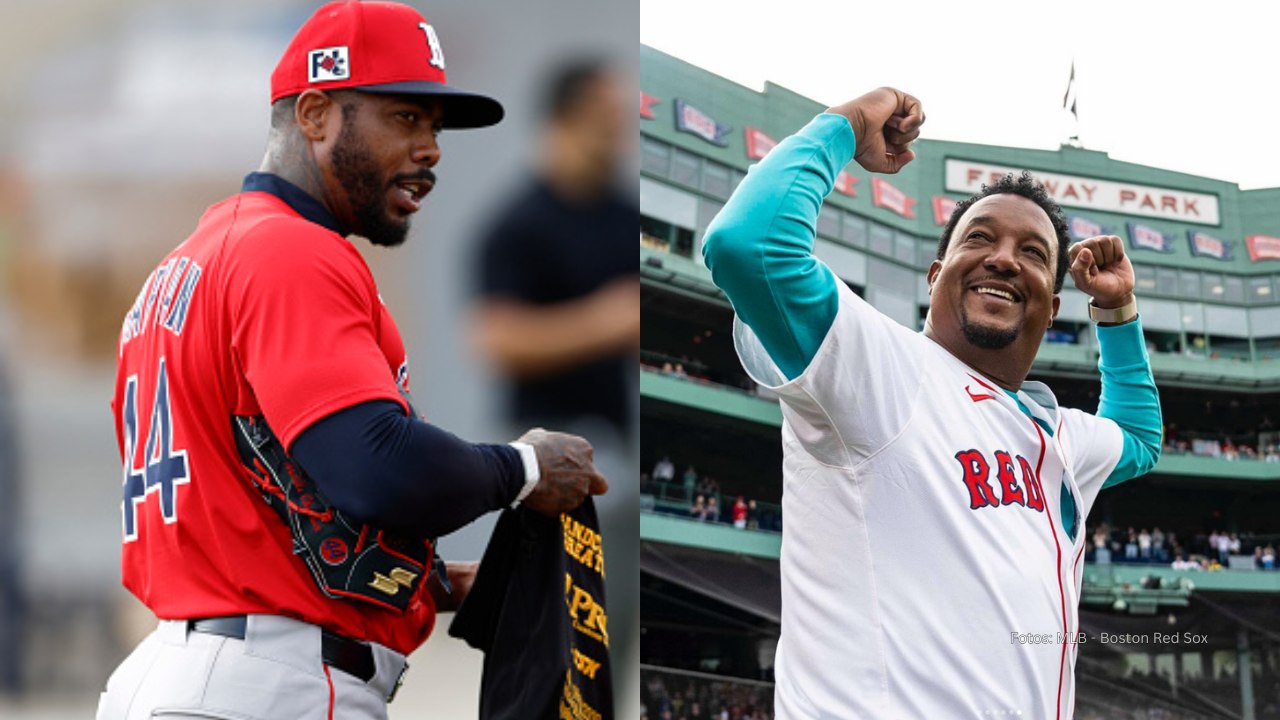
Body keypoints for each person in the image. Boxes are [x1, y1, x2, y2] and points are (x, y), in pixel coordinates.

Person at [97, 4, 607, 719]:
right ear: (314, 113)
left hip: (191, 670)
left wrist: (423, 578)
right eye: (404, 117)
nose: (430, 148)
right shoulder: (288, 251)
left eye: (435, 127)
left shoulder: (188, 264)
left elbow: (264, 491)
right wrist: (524, 469)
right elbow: (378, 466)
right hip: (268, 684)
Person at [702, 87, 1161, 717]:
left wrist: (1116, 312)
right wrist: (848, 125)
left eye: (1032, 253)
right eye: (979, 239)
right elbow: (747, 244)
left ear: (1052, 309)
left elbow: (1137, 438)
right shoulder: (885, 368)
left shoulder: (1057, 434)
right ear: (936, 274)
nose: (1003, 259)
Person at [472, 58, 638, 438]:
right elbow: (496, 338)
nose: (618, 133)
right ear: (566, 118)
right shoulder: (517, 222)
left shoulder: (625, 216)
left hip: (615, 435)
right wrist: (605, 322)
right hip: (537, 439)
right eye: (606, 118)